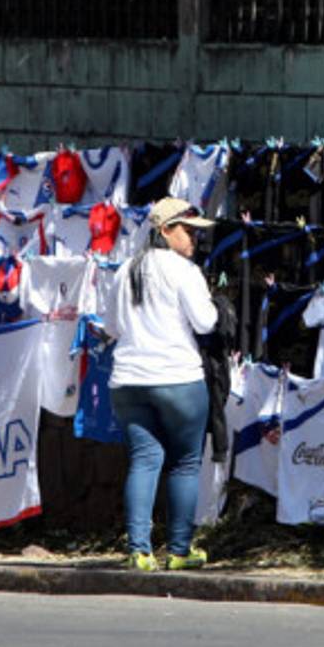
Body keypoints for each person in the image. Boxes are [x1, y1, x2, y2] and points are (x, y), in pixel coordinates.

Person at [104, 197, 218, 571]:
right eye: (188, 231)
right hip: (178, 378)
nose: (194, 239)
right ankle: (179, 551)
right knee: (185, 463)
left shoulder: (125, 270)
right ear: (165, 230)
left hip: (128, 380)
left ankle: (139, 551)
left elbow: (111, 327)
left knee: (144, 460)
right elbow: (205, 323)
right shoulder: (186, 271)